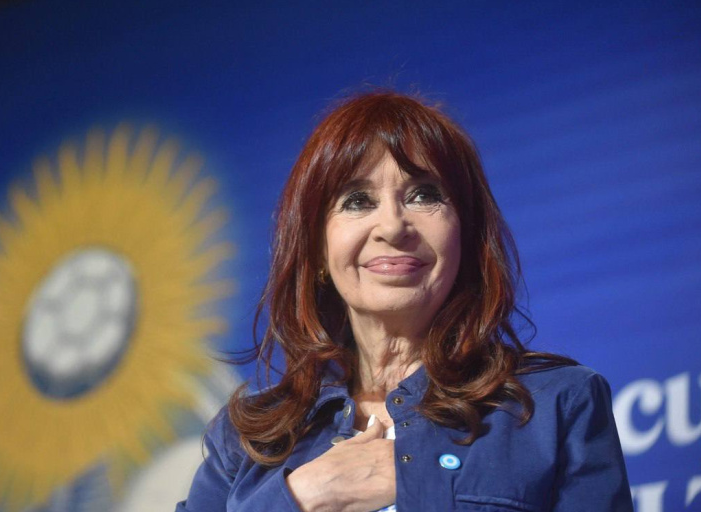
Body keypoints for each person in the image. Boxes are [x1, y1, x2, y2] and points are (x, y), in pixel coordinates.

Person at [177, 92, 633, 511]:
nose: (393, 227)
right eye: (357, 200)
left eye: (424, 195)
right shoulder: (246, 438)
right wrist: (306, 494)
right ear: (317, 249)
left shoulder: (557, 405)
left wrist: (421, 485)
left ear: (466, 234)